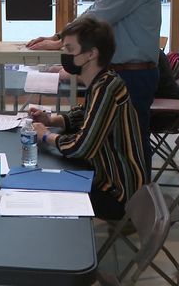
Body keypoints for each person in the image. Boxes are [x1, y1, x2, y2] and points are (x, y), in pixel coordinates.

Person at [27, 0, 161, 180]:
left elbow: (100, 16)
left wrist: (61, 43)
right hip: (121, 70)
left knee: (131, 140)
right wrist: (58, 36)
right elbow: (91, 12)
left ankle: (136, 197)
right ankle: (124, 186)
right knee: (114, 136)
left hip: (134, 73)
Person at [31, 14, 146, 220]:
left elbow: (82, 147)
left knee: (43, 194)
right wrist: (51, 120)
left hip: (118, 193)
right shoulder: (103, 81)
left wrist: (46, 136)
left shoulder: (107, 89)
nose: (64, 55)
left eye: (69, 49)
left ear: (91, 54)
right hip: (106, 178)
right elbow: (86, 115)